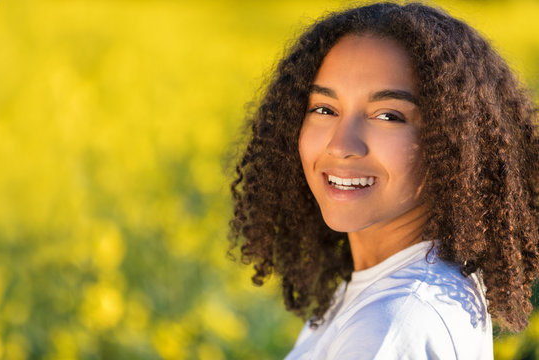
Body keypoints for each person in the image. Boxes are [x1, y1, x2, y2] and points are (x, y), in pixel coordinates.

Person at [228, 2, 539, 359]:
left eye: (388, 116)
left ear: (453, 141)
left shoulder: (391, 326)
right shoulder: (384, 290)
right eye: (324, 109)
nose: (341, 145)